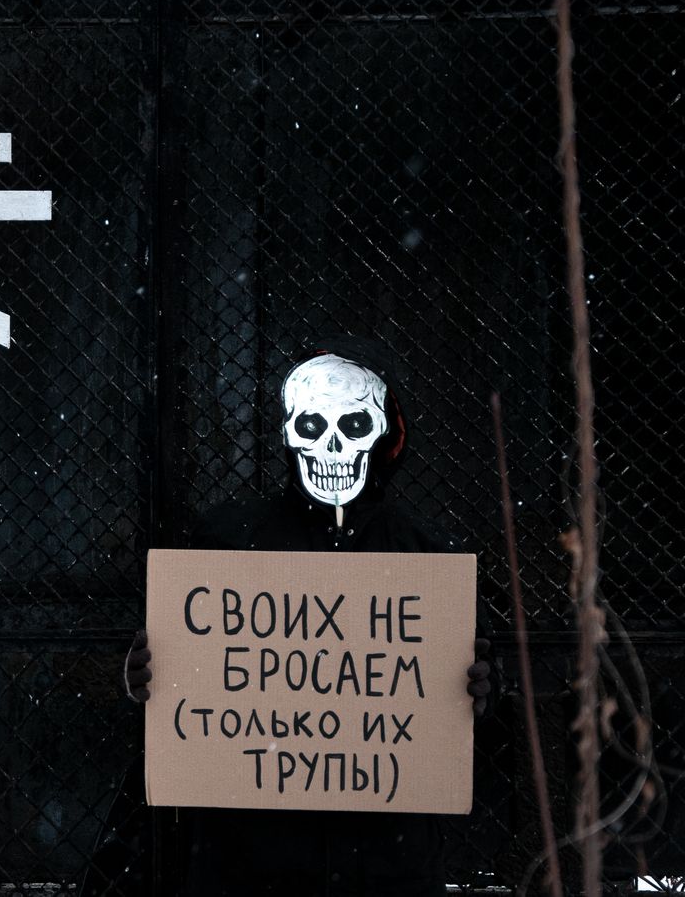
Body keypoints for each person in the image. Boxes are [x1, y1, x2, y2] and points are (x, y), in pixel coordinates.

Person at [119, 335, 493, 897]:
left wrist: (479, 687)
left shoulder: (427, 557)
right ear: (290, 434)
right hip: (256, 858)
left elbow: (470, 684)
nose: (335, 448)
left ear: (384, 434)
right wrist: (147, 675)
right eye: (313, 426)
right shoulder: (227, 542)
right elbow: (188, 678)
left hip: (383, 858)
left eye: (355, 426)